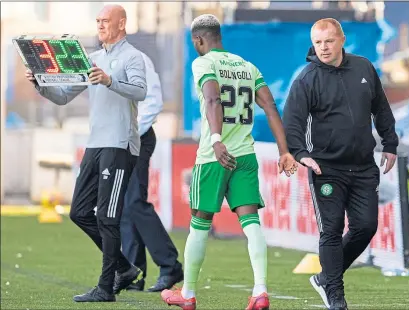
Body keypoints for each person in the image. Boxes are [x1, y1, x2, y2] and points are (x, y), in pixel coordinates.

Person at [161, 14, 298, 310]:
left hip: (214, 157)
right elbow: (271, 106)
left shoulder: (204, 63)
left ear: (199, 40)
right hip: (245, 157)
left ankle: (187, 294)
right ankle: (260, 291)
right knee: (251, 224)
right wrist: (284, 151)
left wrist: (215, 139)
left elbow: (212, 100)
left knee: (199, 224)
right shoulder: (247, 67)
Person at [26, 4, 147, 302]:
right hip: (95, 144)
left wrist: (110, 81)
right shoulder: (91, 59)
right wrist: (41, 85)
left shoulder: (132, 57)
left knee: (107, 217)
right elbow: (64, 96)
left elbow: (140, 92)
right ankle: (123, 267)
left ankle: (106, 288)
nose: (101, 25)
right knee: (79, 212)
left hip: (119, 145)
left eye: (106, 21)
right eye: (98, 21)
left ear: (122, 24)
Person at [282, 18, 399, 310]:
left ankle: (325, 277)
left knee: (366, 227)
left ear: (342, 40)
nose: (323, 47)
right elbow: (292, 121)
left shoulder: (364, 68)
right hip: (326, 169)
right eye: (318, 42)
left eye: (329, 41)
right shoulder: (306, 78)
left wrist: (390, 144)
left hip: (363, 168)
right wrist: (300, 153)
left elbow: (381, 109)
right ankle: (335, 296)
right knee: (331, 231)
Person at [120, 52, 184, 292]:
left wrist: (131, 133)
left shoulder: (137, 59)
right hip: (119, 140)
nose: (101, 29)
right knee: (126, 208)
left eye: (106, 22)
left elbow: (154, 101)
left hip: (136, 138)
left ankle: (170, 266)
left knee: (135, 203)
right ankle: (134, 274)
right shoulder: (104, 59)